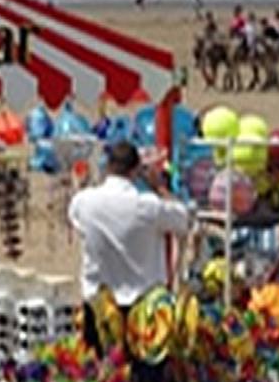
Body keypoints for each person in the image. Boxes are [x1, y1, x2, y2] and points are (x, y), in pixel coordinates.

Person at [69, 141, 190, 339]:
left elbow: (74, 216)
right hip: (143, 311)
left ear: (108, 167)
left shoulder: (85, 202)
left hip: (98, 305)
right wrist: (159, 187)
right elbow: (183, 218)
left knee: (99, 367)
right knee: (144, 369)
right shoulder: (148, 207)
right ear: (135, 171)